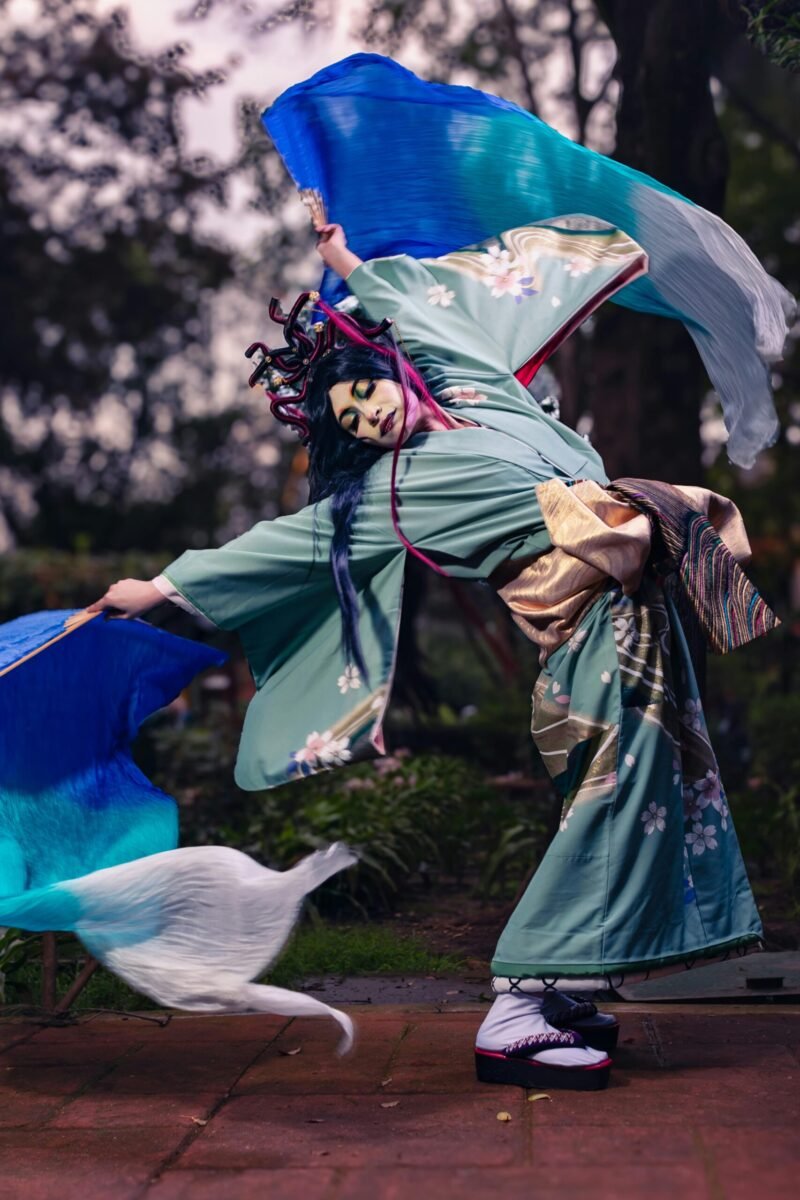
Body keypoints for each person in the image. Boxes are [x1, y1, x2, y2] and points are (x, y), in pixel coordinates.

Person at [89, 215, 776, 1091]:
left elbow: (423, 318)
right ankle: (521, 1002)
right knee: (618, 801)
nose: (370, 415)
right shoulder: (390, 495)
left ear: (392, 373)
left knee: (664, 790)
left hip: (636, 620)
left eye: (369, 392)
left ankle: (569, 991)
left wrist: (344, 263)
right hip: (591, 640)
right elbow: (288, 544)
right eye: (350, 417)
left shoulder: (484, 394)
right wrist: (162, 587)